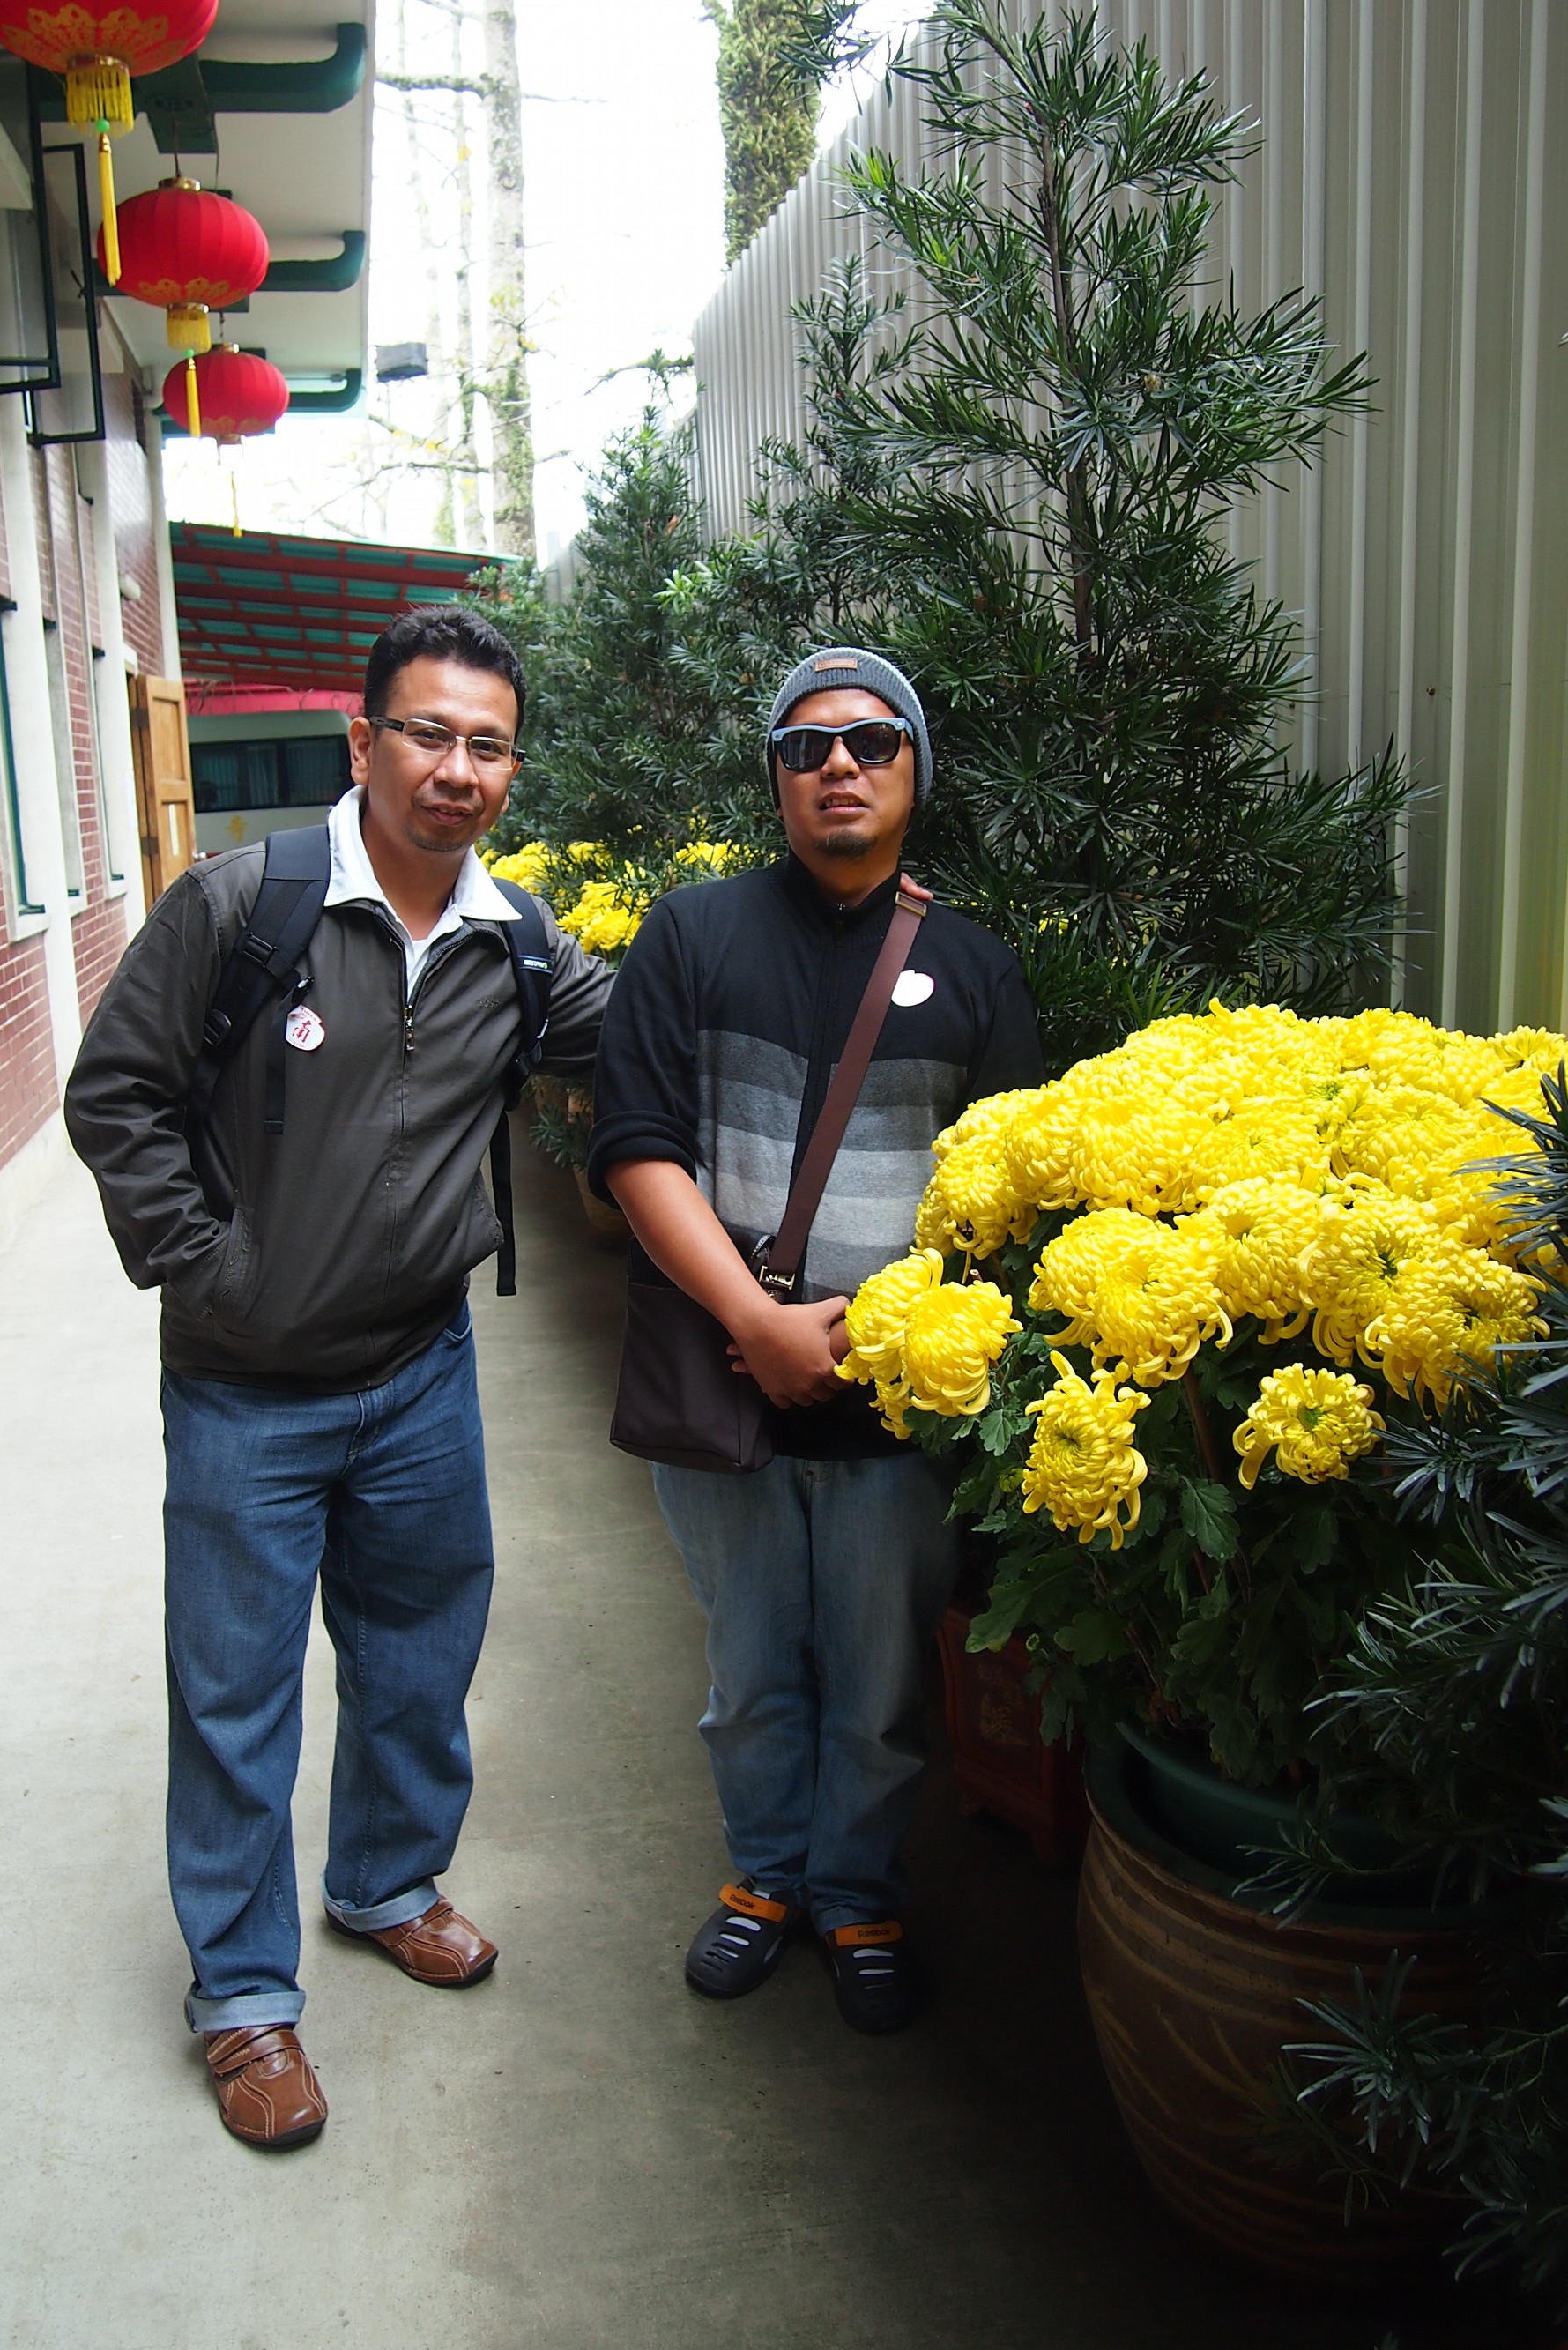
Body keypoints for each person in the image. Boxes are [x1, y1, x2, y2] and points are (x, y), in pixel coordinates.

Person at [66, 606, 612, 2148]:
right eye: (428, 733)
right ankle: (244, 1996)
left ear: (512, 769)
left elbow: (649, 1025)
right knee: (235, 1696)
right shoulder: (248, 905)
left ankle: (383, 1881)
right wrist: (210, 1270)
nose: (457, 768)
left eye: (488, 744)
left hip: (422, 1371)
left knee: (421, 1660)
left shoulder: (516, 941)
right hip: (246, 1390)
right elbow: (117, 1094)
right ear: (363, 740)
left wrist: (832, 920)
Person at [588, 648, 1044, 2035]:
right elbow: (638, 1145)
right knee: (748, 1671)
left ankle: (857, 1892)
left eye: (870, 739)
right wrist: (757, 1319)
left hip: (900, 1412)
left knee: (883, 1682)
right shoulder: (691, 936)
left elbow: (1002, 1195)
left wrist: (894, 1340)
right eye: (805, 746)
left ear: (915, 767)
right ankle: (766, 1876)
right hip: (725, 1389)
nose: (838, 763)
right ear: (777, 779)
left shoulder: (975, 969)